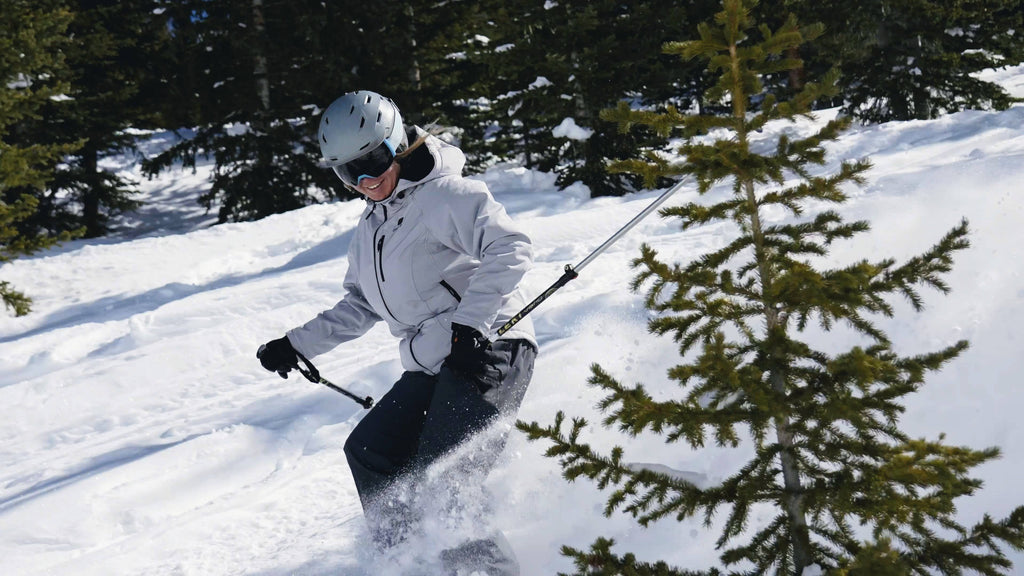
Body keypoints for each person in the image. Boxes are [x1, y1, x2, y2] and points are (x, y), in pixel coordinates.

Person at [256, 90, 536, 575]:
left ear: (397, 144)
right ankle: (413, 565)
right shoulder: (371, 229)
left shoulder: (447, 195)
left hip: (490, 347)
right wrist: (296, 344)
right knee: (371, 452)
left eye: (373, 161)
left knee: (447, 481)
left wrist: (471, 325)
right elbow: (361, 304)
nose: (366, 181)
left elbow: (511, 247)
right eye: (349, 173)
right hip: (434, 363)